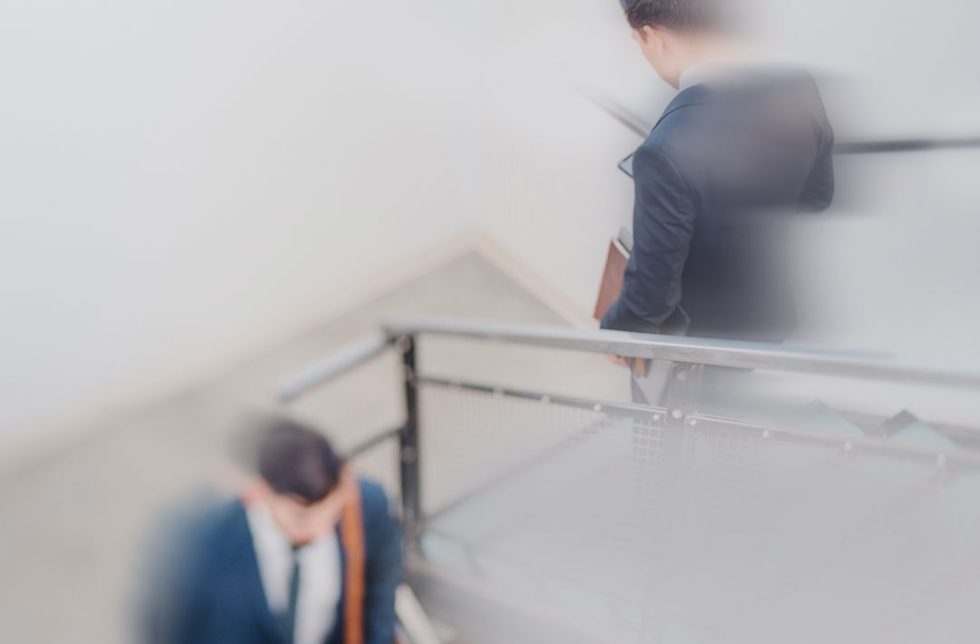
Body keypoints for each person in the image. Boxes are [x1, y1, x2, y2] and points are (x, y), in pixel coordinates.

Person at [602, 0, 835, 405]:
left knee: (677, 429)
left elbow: (651, 298)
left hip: (696, 343)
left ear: (654, 37)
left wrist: (616, 329)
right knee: (738, 421)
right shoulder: (798, 87)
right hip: (769, 318)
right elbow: (818, 197)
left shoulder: (664, 149)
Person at [143, 416, 401, 644]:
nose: (320, 530)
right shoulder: (209, 546)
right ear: (260, 492)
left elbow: (380, 603)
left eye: (333, 514)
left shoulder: (368, 506)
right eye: (300, 518)